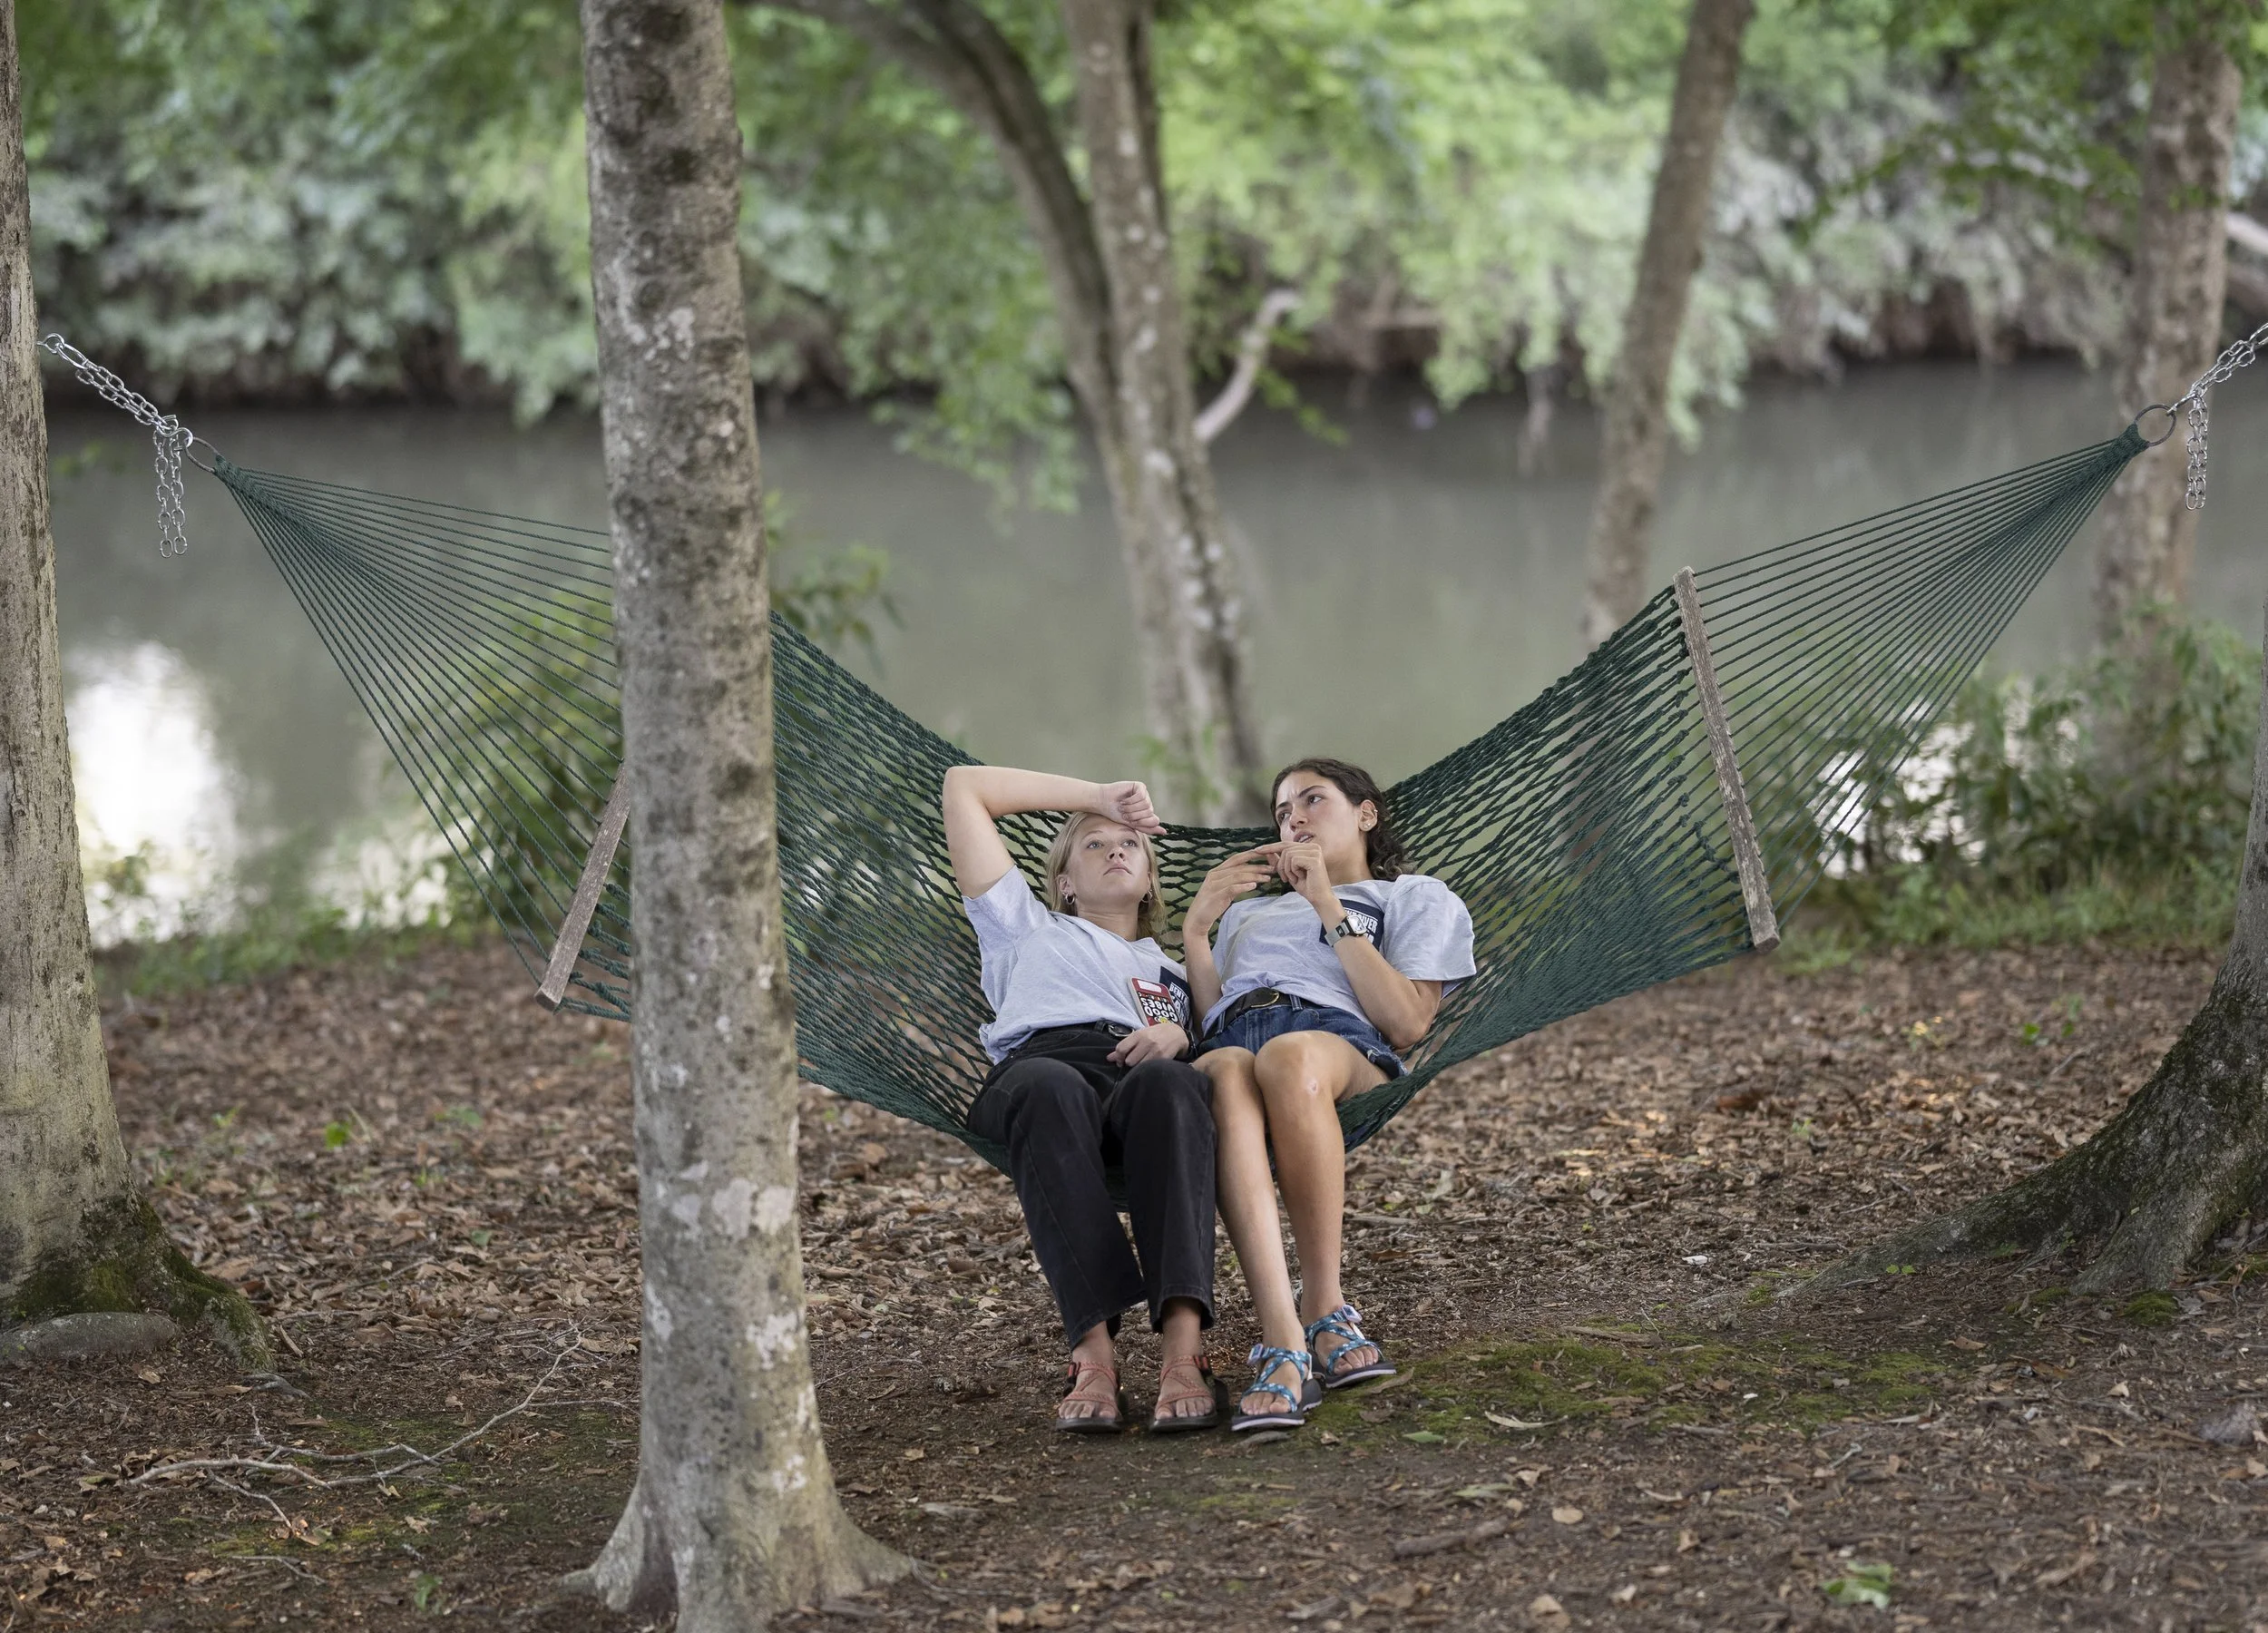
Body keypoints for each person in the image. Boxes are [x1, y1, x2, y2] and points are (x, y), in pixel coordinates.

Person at [1184, 758, 1475, 1433]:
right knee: (1221, 1069)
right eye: (1284, 813)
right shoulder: (1246, 918)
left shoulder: (1414, 897)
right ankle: (1284, 1341)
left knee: (1287, 1057)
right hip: (1238, 1040)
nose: (1296, 820)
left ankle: (1325, 1307)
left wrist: (1327, 903)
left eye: (1312, 800)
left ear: (1365, 813)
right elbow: (1209, 1022)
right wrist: (1199, 931)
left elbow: (1405, 1022)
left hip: (1341, 1045)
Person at [943, 765, 1222, 1434]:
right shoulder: (1024, 928)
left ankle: (1183, 1350)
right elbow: (963, 788)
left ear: (1151, 879)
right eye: (1094, 845)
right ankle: (1092, 1350)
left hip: (1142, 1076)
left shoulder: (1180, 971)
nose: (1116, 849)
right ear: (1064, 883)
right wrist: (1100, 799)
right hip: (1043, 1066)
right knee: (1049, 1086)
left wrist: (1179, 1033)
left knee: (1177, 1084)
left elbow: (1227, 1043)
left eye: (1130, 844)